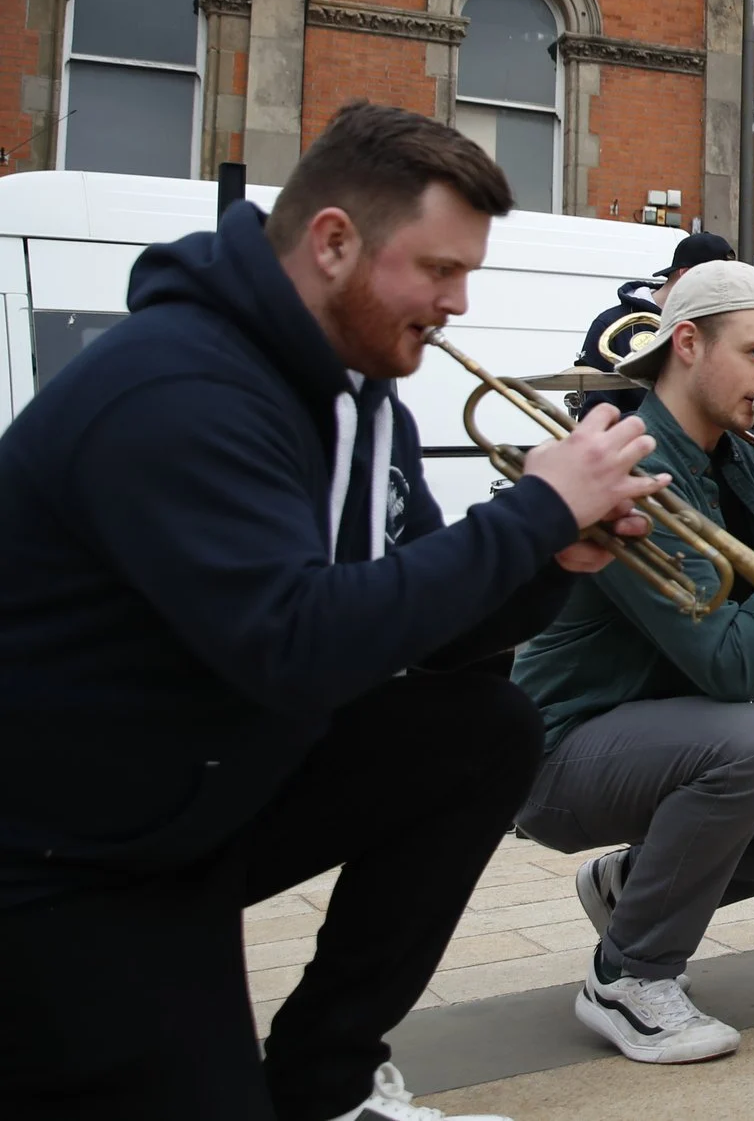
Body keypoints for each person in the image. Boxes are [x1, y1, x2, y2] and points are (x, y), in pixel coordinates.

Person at [0, 102, 664, 1121]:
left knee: (481, 729)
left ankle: (328, 1076)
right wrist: (534, 506)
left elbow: (421, 625)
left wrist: (550, 555)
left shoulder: (361, 395)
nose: (458, 302)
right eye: (439, 269)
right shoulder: (179, 384)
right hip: (65, 853)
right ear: (333, 241)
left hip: (194, 790)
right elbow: (295, 643)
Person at [512, 261, 754, 1065]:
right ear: (687, 343)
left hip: (680, 733)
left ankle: (633, 885)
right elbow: (729, 665)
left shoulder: (745, 460)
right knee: (753, 738)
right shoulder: (628, 471)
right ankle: (628, 977)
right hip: (560, 750)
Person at [575, 229, 738, 415]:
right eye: (717, 283)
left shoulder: (712, 326)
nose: (724, 293)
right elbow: (594, 417)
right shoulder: (610, 324)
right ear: (685, 275)